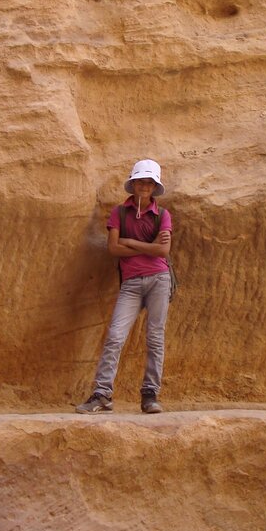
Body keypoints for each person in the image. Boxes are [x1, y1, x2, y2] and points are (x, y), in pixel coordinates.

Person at [76, 159, 173, 414]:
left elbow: (163, 250)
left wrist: (130, 242)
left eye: (149, 182)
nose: (145, 186)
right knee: (115, 336)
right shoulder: (119, 212)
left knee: (155, 338)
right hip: (131, 283)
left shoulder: (162, 215)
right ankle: (102, 394)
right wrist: (149, 246)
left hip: (159, 280)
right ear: (133, 184)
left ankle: (150, 395)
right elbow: (113, 248)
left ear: (154, 187)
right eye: (141, 181)